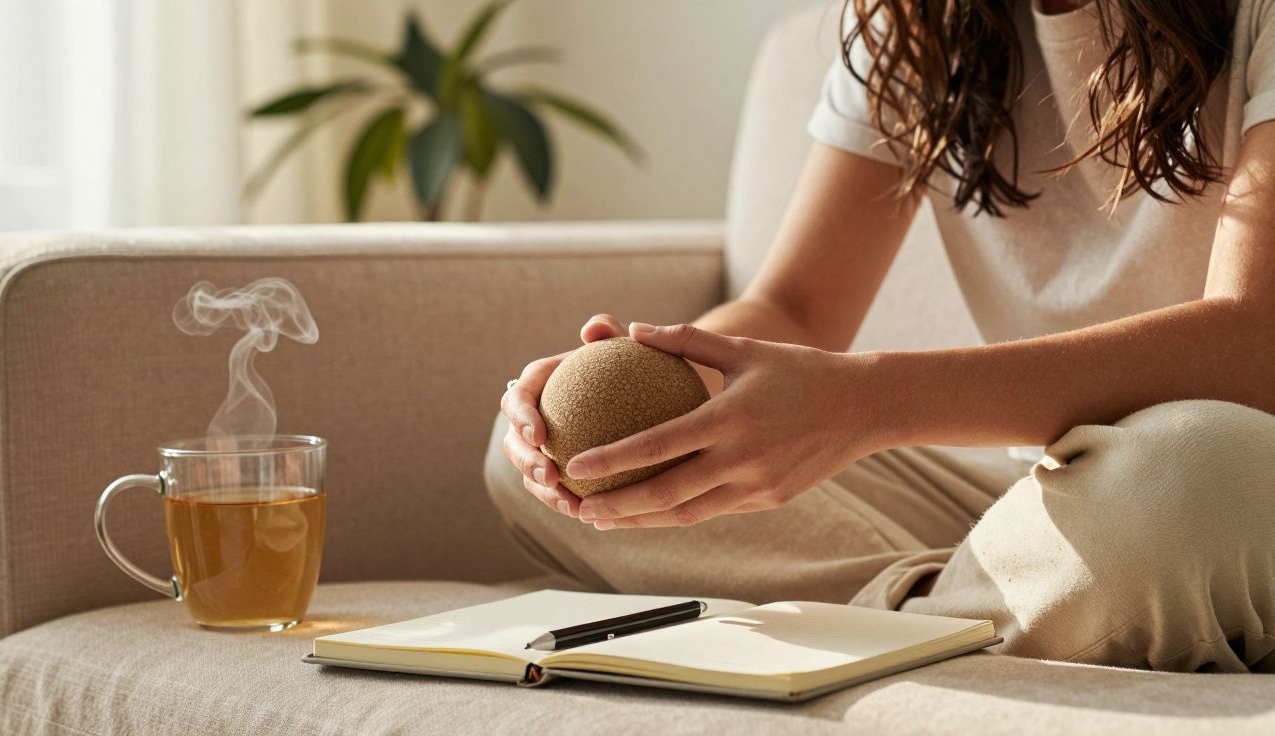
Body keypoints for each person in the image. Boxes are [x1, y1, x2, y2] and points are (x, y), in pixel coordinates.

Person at [486, 0, 1275, 673]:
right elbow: (793, 308)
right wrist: (642, 379)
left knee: (1193, 479)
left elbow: (1254, 344)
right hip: (1038, 504)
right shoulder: (918, 22)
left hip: (1215, 476)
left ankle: (966, 603)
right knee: (550, 448)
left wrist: (867, 402)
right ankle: (975, 604)